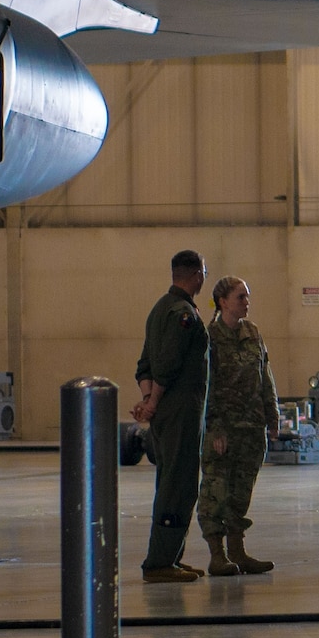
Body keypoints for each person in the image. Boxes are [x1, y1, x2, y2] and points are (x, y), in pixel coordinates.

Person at [133, 249, 211, 583]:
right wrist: (154, 402)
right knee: (178, 484)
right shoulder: (184, 314)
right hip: (180, 411)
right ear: (197, 275)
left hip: (166, 411)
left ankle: (171, 557)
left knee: (169, 479)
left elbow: (145, 365)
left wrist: (149, 398)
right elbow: (166, 364)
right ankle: (160, 562)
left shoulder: (159, 309)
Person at [197, 276, 280, 577]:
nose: (247, 302)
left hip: (251, 426)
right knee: (216, 491)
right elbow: (207, 385)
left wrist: (273, 416)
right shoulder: (210, 337)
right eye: (240, 297)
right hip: (224, 430)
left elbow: (264, 376)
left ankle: (238, 552)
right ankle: (217, 555)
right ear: (222, 302)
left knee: (241, 492)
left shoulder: (252, 332)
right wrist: (215, 428)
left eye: (247, 296)